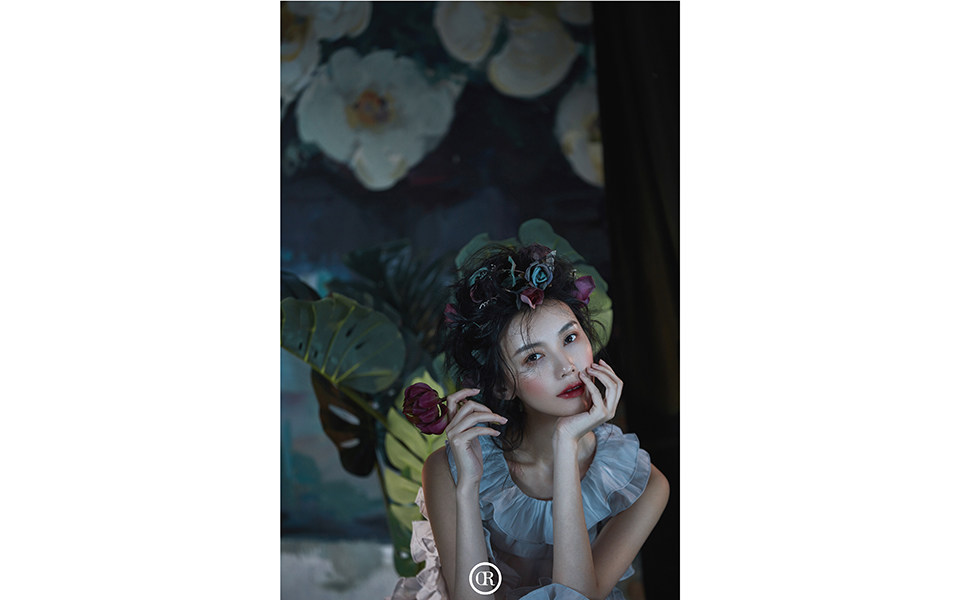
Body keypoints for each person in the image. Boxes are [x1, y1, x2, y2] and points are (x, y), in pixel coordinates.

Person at [390, 244, 669, 600]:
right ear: (502, 386)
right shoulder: (450, 469)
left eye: (570, 338)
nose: (567, 366)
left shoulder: (641, 485)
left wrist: (566, 444)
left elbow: (573, 597)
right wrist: (468, 489)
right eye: (534, 357)